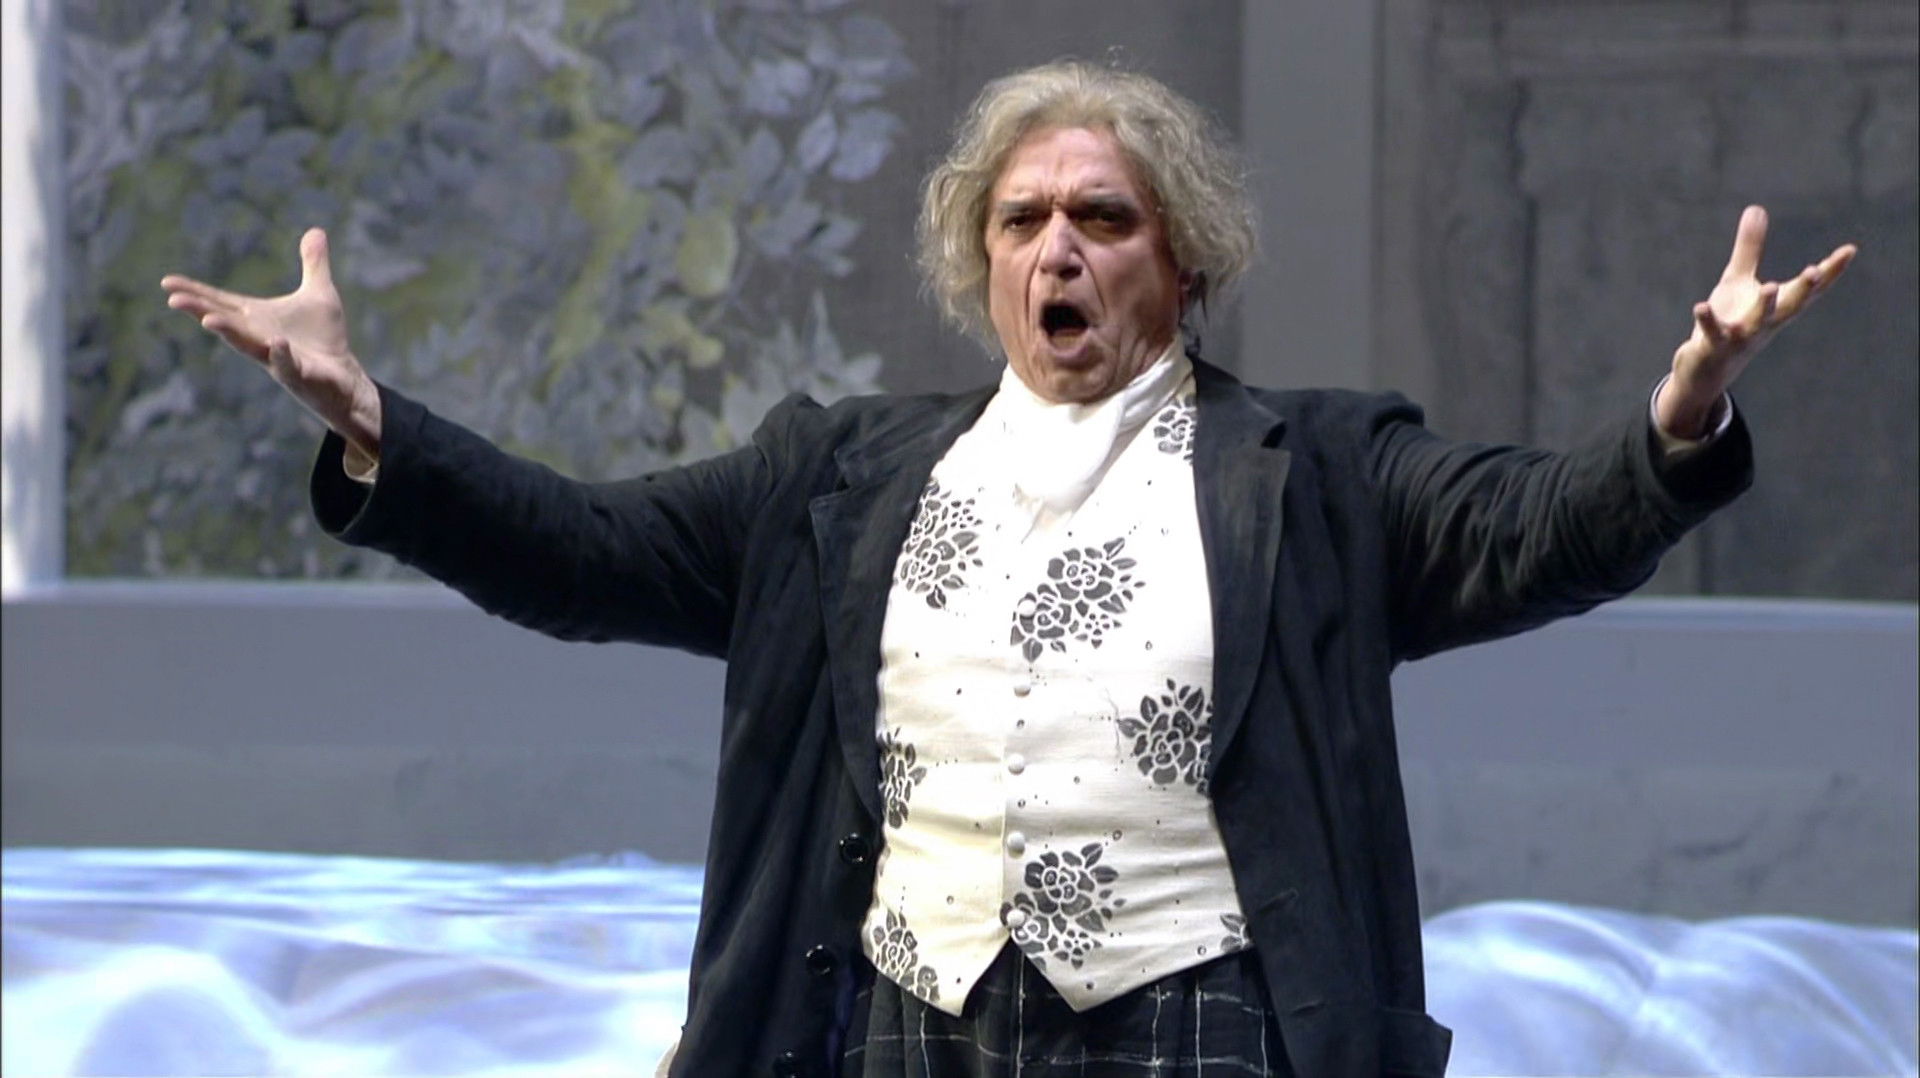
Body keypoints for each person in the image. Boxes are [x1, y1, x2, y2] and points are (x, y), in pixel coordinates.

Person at [162, 61, 1853, 1078]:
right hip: (914, 1022)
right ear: (981, 261)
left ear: (1184, 264)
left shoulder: (1315, 474)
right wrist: (376, 423)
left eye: (1104, 219)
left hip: (1207, 1023)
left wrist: (1679, 415)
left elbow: (1537, 527)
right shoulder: (838, 477)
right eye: (1023, 219)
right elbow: (584, 549)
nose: (1059, 247)